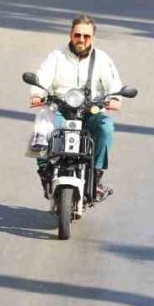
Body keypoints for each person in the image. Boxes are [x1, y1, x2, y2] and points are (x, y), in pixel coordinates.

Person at [30, 14, 125, 198]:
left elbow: (114, 83)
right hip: (61, 110)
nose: (81, 39)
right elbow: (42, 76)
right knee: (43, 120)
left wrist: (115, 98)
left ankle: (96, 177)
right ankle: (45, 172)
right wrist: (37, 94)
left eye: (86, 36)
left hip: (90, 111)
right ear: (71, 34)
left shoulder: (102, 59)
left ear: (92, 38)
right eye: (77, 35)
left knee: (106, 127)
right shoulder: (57, 56)